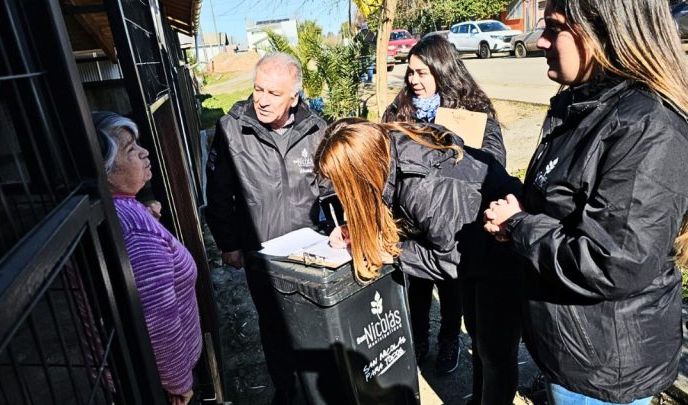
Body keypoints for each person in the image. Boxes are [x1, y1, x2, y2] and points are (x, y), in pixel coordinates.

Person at [483, 0, 688, 404]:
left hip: (605, 370)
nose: (540, 40)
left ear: (604, 32)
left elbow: (612, 263)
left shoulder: (650, 127)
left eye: (554, 27)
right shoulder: (583, 104)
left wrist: (520, 225)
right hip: (574, 347)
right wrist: (516, 217)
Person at [316, 118, 522, 402]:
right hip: (475, 247)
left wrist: (393, 253)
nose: (341, 192)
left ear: (363, 171)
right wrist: (357, 230)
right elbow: (395, 204)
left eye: (344, 183)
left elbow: (452, 259)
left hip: (499, 254)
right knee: (482, 339)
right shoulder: (389, 154)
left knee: (494, 351)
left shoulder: (426, 187)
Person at [382, 34, 520, 403]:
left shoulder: (473, 110)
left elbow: (494, 166)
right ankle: (419, 342)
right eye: (410, 72)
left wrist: (451, 146)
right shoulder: (400, 112)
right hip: (413, 225)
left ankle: (448, 343)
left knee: (456, 294)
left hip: (463, 231)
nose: (414, 81)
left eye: (422, 72)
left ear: (444, 70)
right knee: (416, 289)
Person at [204, 52, 329, 404]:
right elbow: (218, 192)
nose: (261, 100)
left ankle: (317, 388)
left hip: (309, 251)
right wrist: (228, 243)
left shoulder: (316, 130)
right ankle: (285, 389)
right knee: (274, 326)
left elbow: (330, 188)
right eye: (258, 89)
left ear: (294, 97)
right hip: (261, 252)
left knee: (314, 323)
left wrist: (338, 230)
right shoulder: (232, 129)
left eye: (274, 93)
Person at [93, 111, 201, 405]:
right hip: (160, 386)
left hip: (132, 374)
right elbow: (159, 321)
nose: (145, 152)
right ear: (106, 172)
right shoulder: (133, 232)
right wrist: (179, 383)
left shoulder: (117, 208)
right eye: (131, 149)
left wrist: (143, 210)